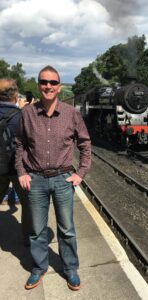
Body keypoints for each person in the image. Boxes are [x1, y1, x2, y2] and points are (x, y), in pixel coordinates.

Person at [15, 65, 91, 291]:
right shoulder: (27, 113)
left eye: (53, 82)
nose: (48, 86)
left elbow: (85, 144)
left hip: (62, 179)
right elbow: (19, 145)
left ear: (59, 87)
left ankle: (70, 269)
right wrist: (21, 172)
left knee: (66, 229)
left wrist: (81, 173)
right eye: (44, 82)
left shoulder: (72, 114)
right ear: (39, 85)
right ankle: (38, 268)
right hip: (35, 179)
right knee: (37, 230)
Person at [0, 78, 30, 245]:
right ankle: (28, 238)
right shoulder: (21, 116)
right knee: (28, 205)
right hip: (18, 170)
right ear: (15, 95)